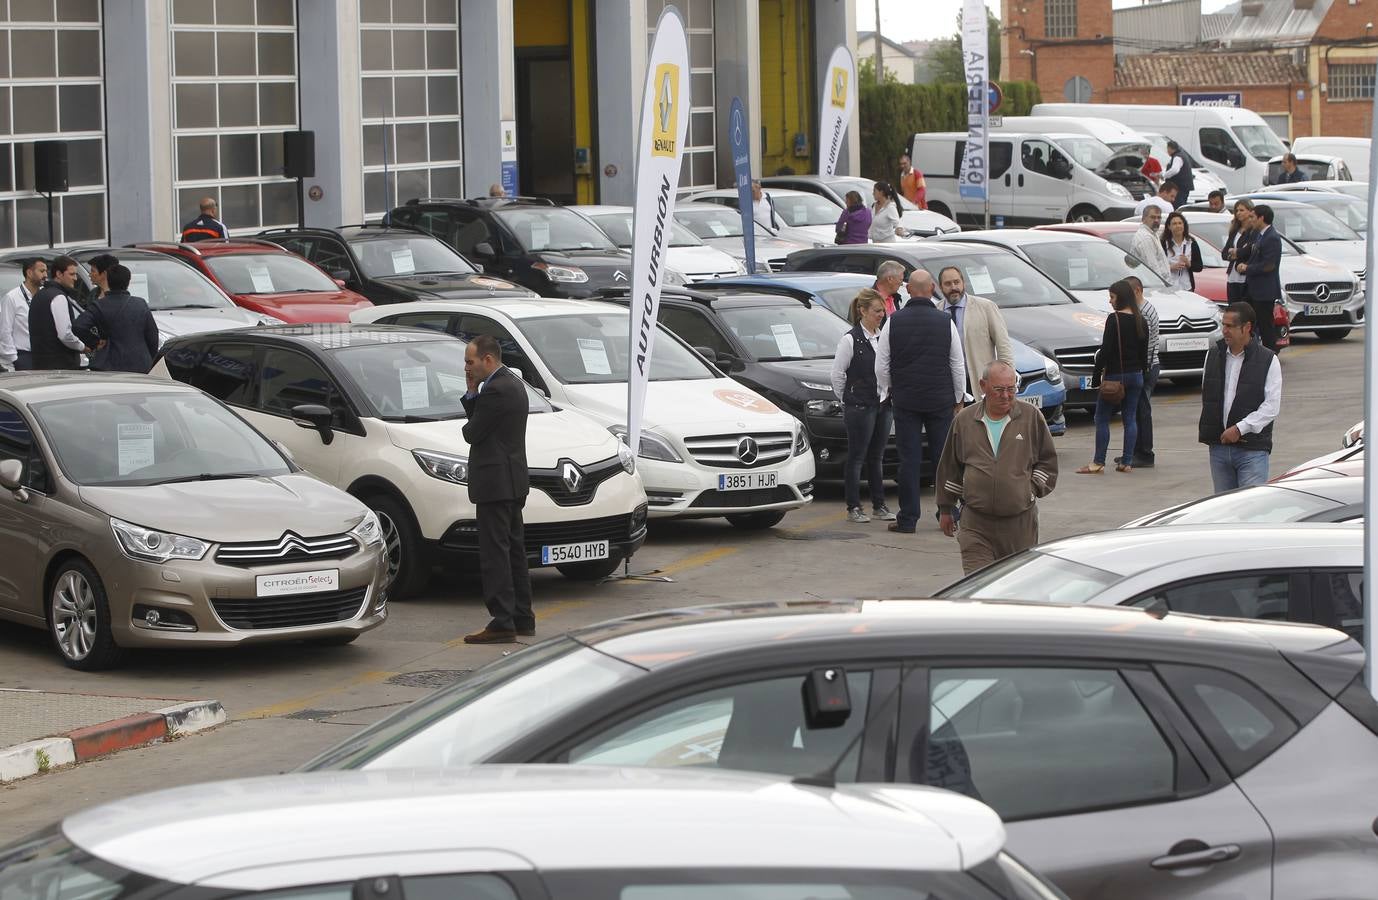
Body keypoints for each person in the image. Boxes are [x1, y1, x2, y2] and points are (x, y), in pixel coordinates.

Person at [935, 361, 1058, 574]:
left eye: (1011, 389)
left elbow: (1048, 462)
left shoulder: (1031, 417)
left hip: (1019, 525)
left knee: (1014, 588)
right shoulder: (964, 421)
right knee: (978, 586)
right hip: (976, 524)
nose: (1006, 395)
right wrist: (946, 508)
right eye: (999, 389)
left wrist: (1030, 489)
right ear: (983, 386)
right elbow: (950, 467)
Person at [459, 334, 534, 644]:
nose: (466, 368)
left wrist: (471, 393)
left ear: (487, 360)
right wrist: (475, 393)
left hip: (496, 483)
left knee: (495, 555)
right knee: (514, 551)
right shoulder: (513, 383)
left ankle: (502, 620)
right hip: (512, 480)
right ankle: (521, 617)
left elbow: (471, 432)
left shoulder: (496, 391)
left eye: (470, 362)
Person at [875, 280, 965, 534]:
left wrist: (889, 389)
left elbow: (882, 364)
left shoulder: (894, 321)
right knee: (944, 460)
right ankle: (948, 513)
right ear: (932, 288)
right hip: (940, 400)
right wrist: (958, 397)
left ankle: (908, 518)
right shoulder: (944, 321)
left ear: (910, 290)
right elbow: (956, 363)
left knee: (909, 460)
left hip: (907, 401)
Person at [830, 289, 894, 524]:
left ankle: (879, 505)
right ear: (863, 311)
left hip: (882, 403)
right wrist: (849, 398)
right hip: (859, 406)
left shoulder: (882, 337)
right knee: (857, 456)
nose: (881, 315)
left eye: (883, 311)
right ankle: (853, 507)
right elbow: (837, 375)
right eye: (877, 311)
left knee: (877, 456)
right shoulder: (850, 339)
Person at [1201, 301, 1281, 492]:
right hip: (1219, 448)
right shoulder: (1212, 355)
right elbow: (1208, 395)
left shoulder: (1269, 360)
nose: (1224, 331)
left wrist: (1240, 429)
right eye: (1223, 325)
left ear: (1247, 327)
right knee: (1224, 510)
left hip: (1252, 450)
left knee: (1251, 511)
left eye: (1230, 326)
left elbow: (1271, 407)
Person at [1079, 280, 1148, 475]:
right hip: (1136, 375)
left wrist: (1096, 375)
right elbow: (1144, 353)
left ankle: (1098, 462)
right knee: (1130, 418)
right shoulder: (1140, 319)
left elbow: (1106, 351)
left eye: (1112, 297)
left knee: (1101, 417)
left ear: (1121, 298)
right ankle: (1126, 462)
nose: (1110, 301)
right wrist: (1143, 373)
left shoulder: (1114, 319)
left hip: (1115, 377)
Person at [937, 266, 1013, 401]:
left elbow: (1004, 346)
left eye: (956, 282)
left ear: (963, 283)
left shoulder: (986, 307)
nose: (953, 287)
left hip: (979, 383)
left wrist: (1007, 381)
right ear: (940, 287)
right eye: (948, 284)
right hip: (948, 386)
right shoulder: (936, 311)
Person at [72, 264, 159, 374]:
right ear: (128, 282)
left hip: (109, 364)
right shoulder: (140, 304)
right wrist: (148, 356)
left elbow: (78, 326)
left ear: (108, 280)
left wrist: (95, 342)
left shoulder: (99, 305)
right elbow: (153, 335)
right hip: (140, 364)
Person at [1117, 276, 1159, 469]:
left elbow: (1146, 345)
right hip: (1145, 366)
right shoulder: (1141, 310)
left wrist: (1143, 369)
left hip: (1146, 368)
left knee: (1142, 411)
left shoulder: (1143, 313)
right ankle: (1132, 452)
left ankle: (1145, 453)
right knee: (1134, 411)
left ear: (1137, 291)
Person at [28, 256, 90, 370]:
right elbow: (65, 335)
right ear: (59, 274)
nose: (75, 278)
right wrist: (82, 347)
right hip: (60, 367)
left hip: (39, 364)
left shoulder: (39, 295)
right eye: (71, 274)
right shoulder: (58, 297)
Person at [1239, 204, 1282, 351]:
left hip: (1264, 291)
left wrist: (1248, 268)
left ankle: (1271, 354)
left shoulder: (1272, 238)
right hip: (1253, 289)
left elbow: (1269, 265)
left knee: (1265, 326)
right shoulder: (1259, 235)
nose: (1250, 220)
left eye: (1252, 217)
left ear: (1261, 218)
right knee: (1249, 321)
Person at [0, 257, 46, 372]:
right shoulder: (12, 298)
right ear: (29, 273)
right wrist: (14, 359)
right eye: (41, 271)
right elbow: (5, 331)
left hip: (44, 356)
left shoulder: (45, 295)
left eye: (46, 271)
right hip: (23, 357)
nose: (45, 275)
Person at [1222, 198, 1256, 303]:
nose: (1238, 213)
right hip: (1232, 276)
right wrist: (1232, 255)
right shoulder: (1235, 230)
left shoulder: (1254, 231)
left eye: (1242, 210)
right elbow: (1224, 253)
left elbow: (1249, 250)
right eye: (1236, 210)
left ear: (1250, 211)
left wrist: (1237, 253)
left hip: (1244, 275)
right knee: (1233, 305)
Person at [1160, 211, 1203, 292]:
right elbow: (1156, 266)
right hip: (1168, 287)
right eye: (1174, 224)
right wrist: (1171, 267)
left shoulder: (1191, 242)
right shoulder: (1163, 243)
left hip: (1186, 287)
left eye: (1180, 223)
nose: (1178, 226)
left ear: (1184, 225)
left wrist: (1188, 263)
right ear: (1169, 226)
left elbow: (1199, 267)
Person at [1129, 206, 1172, 283]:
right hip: (1154, 286)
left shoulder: (1152, 234)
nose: (1156, 220)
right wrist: (1163, 286)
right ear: (1143, 219)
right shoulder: (1146, 238)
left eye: (1159, 218)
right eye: (1152, 217)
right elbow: (1152, 267)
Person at [1162, 140, 1195, 207]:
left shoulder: (1177, 157)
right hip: (1182, 187)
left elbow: (1175, 170)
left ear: (1170, 148)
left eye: (1167, 149)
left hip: (1179, 187)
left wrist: (1164, 175)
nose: (1167, 151)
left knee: (1177, 205)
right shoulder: (1181, 155)